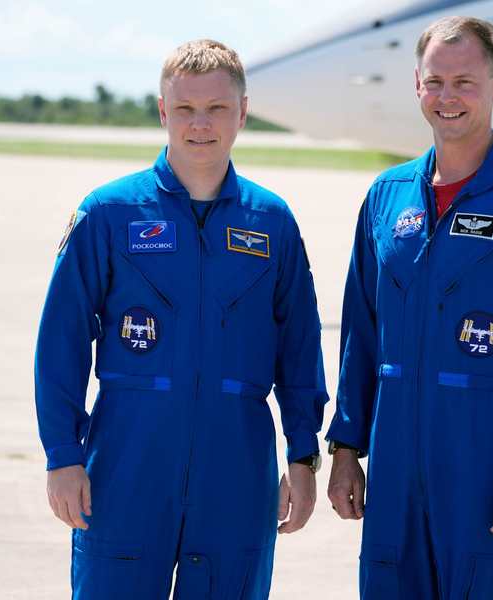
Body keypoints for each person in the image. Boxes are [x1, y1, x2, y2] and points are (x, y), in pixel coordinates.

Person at [35, 39, 328, 599]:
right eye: (186, 109)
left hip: (236, 471)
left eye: (217, 108)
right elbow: (61, 342)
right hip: (126, 464)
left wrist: (301, 453)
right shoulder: (108, 214)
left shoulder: (273, 224)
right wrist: (63, 455)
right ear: (163, 112)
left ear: (242, 112)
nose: (201, 124)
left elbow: (299, 349)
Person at [326, 16, 493, 599]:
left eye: (465, 82)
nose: (448, 97)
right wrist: (346, 448)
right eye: (435, 81)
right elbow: (361, 333)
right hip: (395, 467)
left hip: (485, 466)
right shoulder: (386, 196)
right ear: (417, 86)